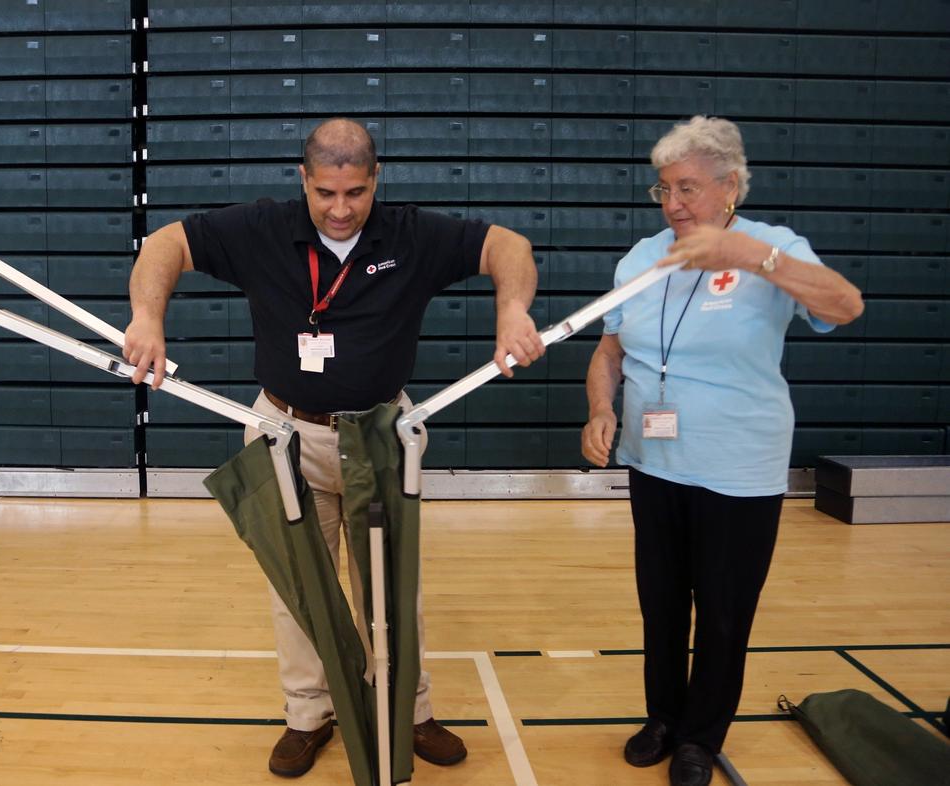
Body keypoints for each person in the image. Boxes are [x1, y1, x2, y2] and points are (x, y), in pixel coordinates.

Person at [124, 118, 545, 778]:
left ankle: (411, 709)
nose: (341, 209)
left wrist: (512, 311)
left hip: (380, 434)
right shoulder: (260, 230)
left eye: (356, 193)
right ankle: (308, 714)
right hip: (285, 432)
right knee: (298, 586)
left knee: (391, 586)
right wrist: (147, 317)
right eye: (326, 193)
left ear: (376, 180)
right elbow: (164, 245)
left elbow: (509, 247)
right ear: (303, 180)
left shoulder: (410, 233)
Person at [581, 116, 863, 786]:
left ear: (729, 187)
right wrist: (600, 407)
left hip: (739, 470)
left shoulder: (773, 246)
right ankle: (662, 717)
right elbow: (609, 350)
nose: (673, 203)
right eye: (664, 190)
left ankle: (700, 739)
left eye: (687, 189)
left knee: (724, 611)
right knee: (661, 602)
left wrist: (751, 258)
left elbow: (846, 305)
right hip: (655, 464)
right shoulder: (639, 258)